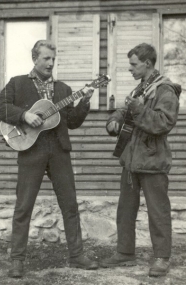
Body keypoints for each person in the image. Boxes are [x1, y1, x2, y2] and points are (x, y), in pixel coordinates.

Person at [0, 40, 98, 278]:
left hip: (59, 149)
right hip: (31, 149)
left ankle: (77, 255)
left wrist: (85, 101)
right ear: (35, 58)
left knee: (70, 204)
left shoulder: (64, 89)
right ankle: (17, 259)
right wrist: (24, 115)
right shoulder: (18, 84)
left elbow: (72, 122)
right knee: (24, 206)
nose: (50, 63)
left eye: (53, 59)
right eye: (46, 58)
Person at [101, 43, 181, 277]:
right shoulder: (141, 88)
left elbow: (164, 123)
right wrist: (113, 121)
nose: (130, 69)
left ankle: (161, 258)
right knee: (125, 210)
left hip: (153, 161)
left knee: (158, 211)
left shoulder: (165, 90)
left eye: (134, 64)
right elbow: (126, 110)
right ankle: (125, 253)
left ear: (147, 63)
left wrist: (138, 110)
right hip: (131, 160)